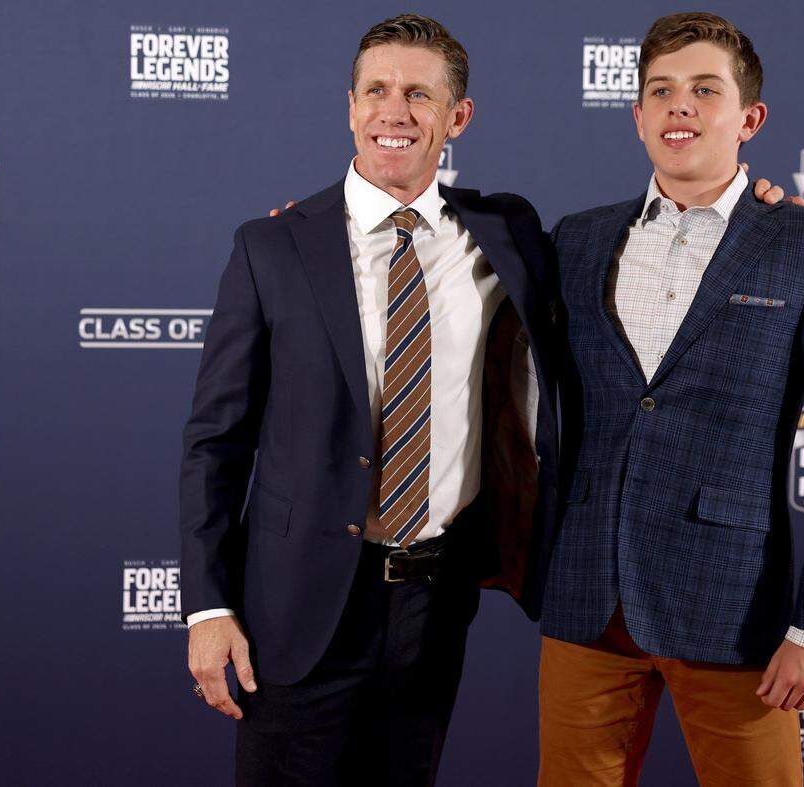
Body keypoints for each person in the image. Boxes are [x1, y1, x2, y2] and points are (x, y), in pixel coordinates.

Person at [179, 15, 564, 786]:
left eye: (420, 95)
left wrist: (749, 205)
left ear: (458, 117)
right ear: (351, 107)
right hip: (297, 603)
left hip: (436, 600)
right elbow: (215, 441)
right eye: (378, 91)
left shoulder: (508, 232)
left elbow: (631, 246)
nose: (396, 112)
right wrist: (208, 607)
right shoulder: (272, 246)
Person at [540, 12, 804, 786]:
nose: (680, 106)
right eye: (660, 90)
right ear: (637, 117)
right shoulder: (576, 240)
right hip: (587, 597)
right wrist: (326, 240)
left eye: (704, 89)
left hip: (734, 606)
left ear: (749, 118)